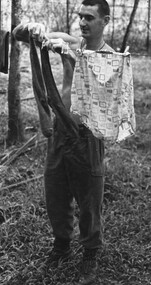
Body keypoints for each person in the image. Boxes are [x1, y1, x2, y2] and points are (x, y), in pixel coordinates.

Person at [13, 0, 114, 284]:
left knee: (89, 200)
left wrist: (69, 55)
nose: (82, 22)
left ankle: (90, 253)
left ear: (105, 21)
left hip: (87, 136)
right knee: (56, 194)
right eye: (80, 16)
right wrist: (33, 29)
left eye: (90, 18)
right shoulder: (70, 41)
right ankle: (61, 245)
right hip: (60, 134)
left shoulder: (109, 57)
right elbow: (20, 34)